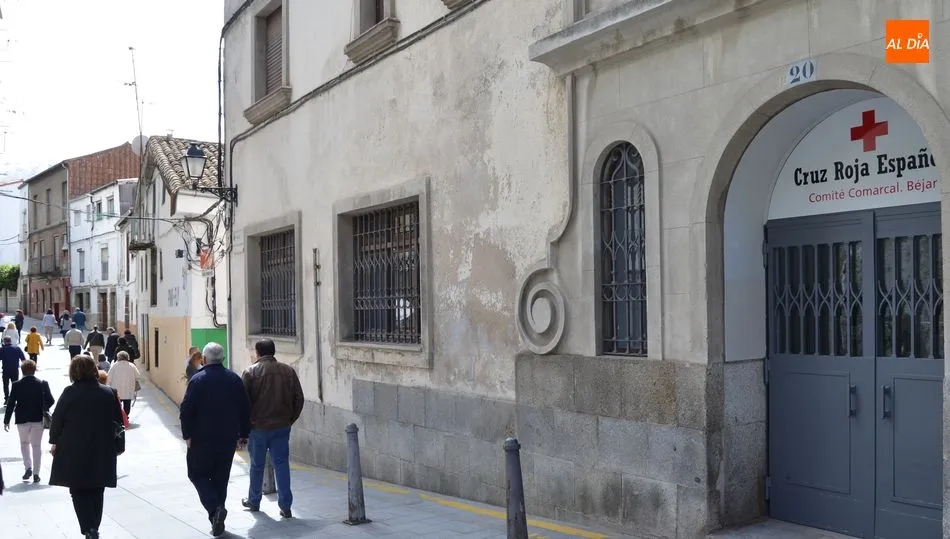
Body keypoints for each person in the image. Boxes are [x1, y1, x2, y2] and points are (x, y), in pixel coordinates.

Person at [49, 354, 124, 539]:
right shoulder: (108, 392)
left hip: (74, 448)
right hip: (102, 448)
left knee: (77, 489)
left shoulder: (69, 392)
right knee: (98, 489)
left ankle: (87, 527)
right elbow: (117, 421)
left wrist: (54, 442)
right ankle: (94, 527)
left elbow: (57, 420)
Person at [180, 342, 251, 537]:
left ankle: (214, 509)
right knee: (221, 478)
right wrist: (244, 434)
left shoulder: (197, 380)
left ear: (204, 359)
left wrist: (187, 435)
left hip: (202, 440)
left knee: (197, 475)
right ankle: (217, 515)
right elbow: (245, 409)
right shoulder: (234, 379)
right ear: (223, 359)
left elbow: (186, 411)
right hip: (227, 439)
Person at [241, 339, 304, 518]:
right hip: (282, 426)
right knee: (282, 465)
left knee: (256, 465)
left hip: (258, 428)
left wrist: (245, 426)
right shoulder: (288, 371)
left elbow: (242, 403)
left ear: (258, 353)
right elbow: (299, 399)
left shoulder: (250, 372)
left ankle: (254, 500)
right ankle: (285, 506)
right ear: (273, 352)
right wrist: (289, 419)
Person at [3, 359, 54, 484]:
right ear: (34, 370)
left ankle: (28, 468)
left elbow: (10, 404)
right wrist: (43, 407)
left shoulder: (16, 385)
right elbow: (51, 400)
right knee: (36, 446)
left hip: (22, 419)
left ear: (22, 371)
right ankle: (36, 473)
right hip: (37, 418)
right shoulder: (43, 383)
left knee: (24, 444)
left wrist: (6, 420)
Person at [107, 351, 139, 416]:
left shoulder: (114, 365)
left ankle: (120, 418)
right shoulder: (131, 365)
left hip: (116, 389)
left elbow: (109, 377)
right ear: (127, 357)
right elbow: (137, 376)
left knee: (117, 405)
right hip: (128, 389)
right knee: (127, 404)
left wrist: (108, 385)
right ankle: (126, 416)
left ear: (118, 357)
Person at [1, 336, 24, 405]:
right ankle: (15, 399)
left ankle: (7, 399)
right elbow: (23, 359)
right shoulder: (17, 348)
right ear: (10, 341)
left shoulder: (2, 349)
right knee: (15, 385)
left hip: (6, 370)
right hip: (15, 370)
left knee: (6, 385)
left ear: (4, 342)